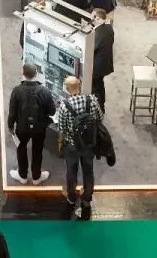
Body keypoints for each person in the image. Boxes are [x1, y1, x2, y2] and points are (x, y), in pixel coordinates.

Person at [56, 76, 102, 218]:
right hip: (88, 144)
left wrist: (60, 144)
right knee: (88, 172)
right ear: (79, 86)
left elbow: (62, 129)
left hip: (72, 146)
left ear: (67, 88)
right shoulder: (92, 100)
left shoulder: (64, 106)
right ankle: (86, 199)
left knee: (71, 172)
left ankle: (71, 198)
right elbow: (99, 118)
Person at [7, 64, 55, 186]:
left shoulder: (17, 91)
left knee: (21, 148)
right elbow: (52, 111)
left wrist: (10, 126)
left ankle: (22, 176)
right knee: (37, 150)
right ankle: (36, 177)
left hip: (22, 127)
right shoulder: (44, 90)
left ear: (23, 73)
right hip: (39, 128)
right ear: (36, 74)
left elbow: (12, 112)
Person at [91, 8, 115, 110]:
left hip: (97, 67)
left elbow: (91, 49)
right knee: (100, 85)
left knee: (95, 87)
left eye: (92, 17)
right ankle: (102, 105)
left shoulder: (97, 33)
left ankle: (99, 108)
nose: (90, 19)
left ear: (97, 18)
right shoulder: (109, 28)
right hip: (105, 64)